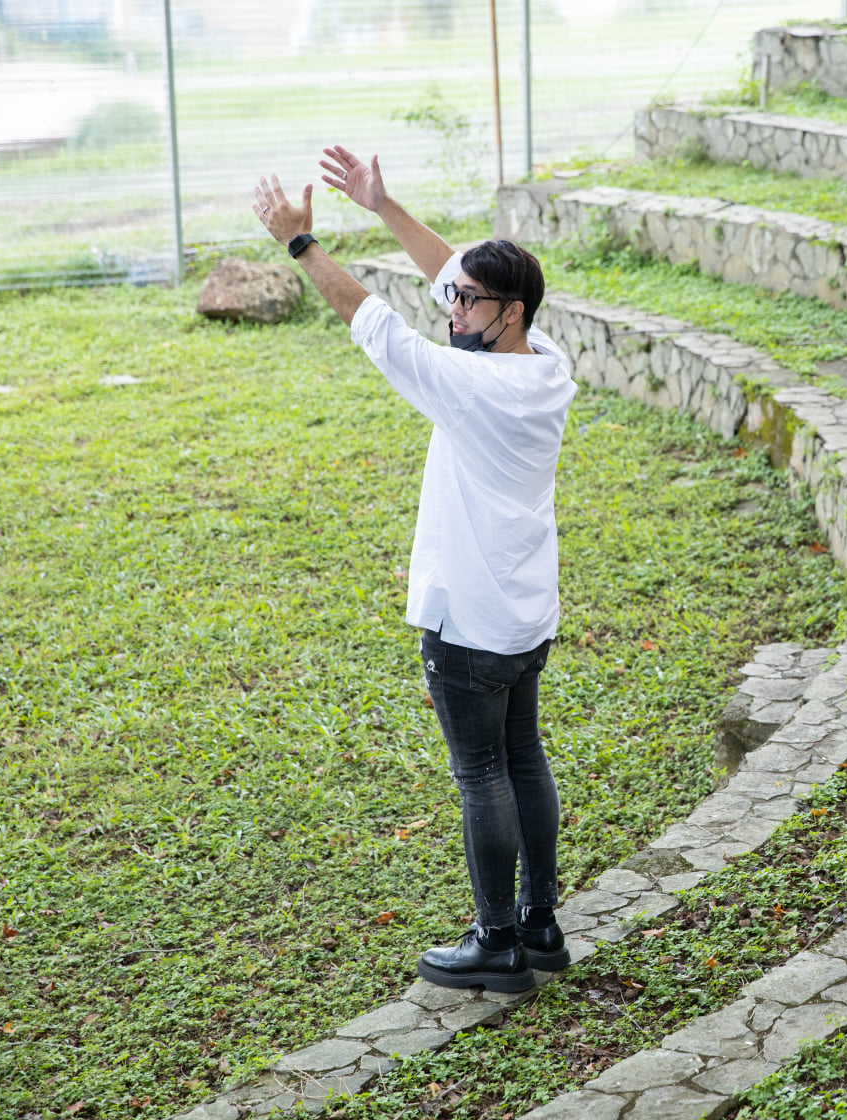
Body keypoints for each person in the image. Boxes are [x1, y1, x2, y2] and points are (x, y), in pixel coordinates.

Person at [250, 147, 577, 993]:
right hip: (526, 609)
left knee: (482, 775)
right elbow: (450, 281)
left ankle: (496, 941)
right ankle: (541, 924)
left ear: (506, 312)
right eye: (455, 295)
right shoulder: (546, 363)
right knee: (524, 756)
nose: (450, 306)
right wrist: (384, 207)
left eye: (466, 302)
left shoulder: (467, 386)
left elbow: (374, 325)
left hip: (469, 616)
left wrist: (302, 245)